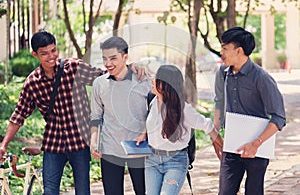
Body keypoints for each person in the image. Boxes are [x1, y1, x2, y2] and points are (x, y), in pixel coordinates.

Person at [0, 31, 145, 195]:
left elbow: (106, 76)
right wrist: (4, 145)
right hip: (53, 144)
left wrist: (130, 67)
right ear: (35, 54)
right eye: (44, 53)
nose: (51, 56)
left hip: (79, 142)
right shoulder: (33, 83)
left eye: (53, 50)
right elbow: (19, 115)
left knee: (83, 192)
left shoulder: (74, 68)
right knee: (50, 191)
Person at [214, 27, 286, 195]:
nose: (221, 52)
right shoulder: (223, 73)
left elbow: (279, 117)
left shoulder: (262, 78)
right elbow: (219, 103)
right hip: (231, 147)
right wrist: (215, 135)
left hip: (257, 149)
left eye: (225, 48)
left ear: (239, 51)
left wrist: (256, 143)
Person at [135, 64, 223, 195]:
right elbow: (151, 122)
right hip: (152, 160)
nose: (152, 80)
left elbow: (207, 126)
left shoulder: (183, 110)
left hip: (175, 161)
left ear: (164, 85)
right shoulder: (153, 100)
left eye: (156, 78)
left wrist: (222, 147)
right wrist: (143, 134)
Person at [89, 36, 151, 195]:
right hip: (111, 150)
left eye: (113, 58)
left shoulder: (144, 80)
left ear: (125, 57)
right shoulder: (99, 83)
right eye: (104, 59)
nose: (108, 63)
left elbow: (155, 112)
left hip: (139, 149)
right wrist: (94, 141)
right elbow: (96, 116)